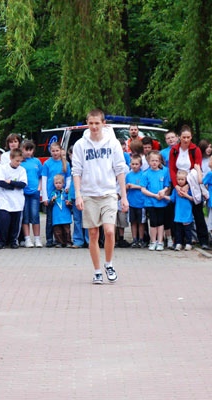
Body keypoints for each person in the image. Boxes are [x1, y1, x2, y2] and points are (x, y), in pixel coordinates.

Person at [72, 109, 128, 284]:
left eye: (97, 123)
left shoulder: (112, 144)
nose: (94, 126)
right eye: (91, 123)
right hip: (89, 194)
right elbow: (76, 171)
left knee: (110, 231)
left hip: (109, 193)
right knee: (93, 233)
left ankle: (109, 264)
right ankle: (97, 271)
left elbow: (120, 169)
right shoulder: (81, 145)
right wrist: (78, 195)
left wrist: (124, 197)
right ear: (87, 124)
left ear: (104, 123)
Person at [168, 126, 209, 249]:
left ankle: (203, 241)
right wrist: (176, 186)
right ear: (179, 137)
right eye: (183, 137)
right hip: (177, 183)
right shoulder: (174, 150)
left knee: (197, 212)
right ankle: (178, 240)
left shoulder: (195, 150)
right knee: (176, 212)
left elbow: (197, 167)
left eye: (188, 137)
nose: (186, 140)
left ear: (191, 137)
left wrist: (187, 185)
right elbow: (172, 168)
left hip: (192, 183)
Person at [41, 142, 71, 247]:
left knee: (62, 217)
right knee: (50, 218)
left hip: (62, 195)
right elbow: (44, 180)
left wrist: (67, 188)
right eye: (53, 151)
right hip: (51, 195)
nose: (55, 153)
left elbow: (68, 177)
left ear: (60, 151)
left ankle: (64, 239)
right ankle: (50, 239)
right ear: (50, 151)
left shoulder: (65, 163)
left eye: (57, 150)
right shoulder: (47, 163)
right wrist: (44, 196)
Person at [0, 148, 27, 249]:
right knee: (4, 222)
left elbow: (22, 184)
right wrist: (13, 186)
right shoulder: (3, 168)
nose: (18, 163)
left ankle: (13, 240)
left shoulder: (22, 170)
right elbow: (1, 182)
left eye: (20, 161)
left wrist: (10, 182)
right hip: (4, 200)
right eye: (16, 161)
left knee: (15, 223)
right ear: (11, 158)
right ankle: (1, 241)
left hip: (17, 201)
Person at [141, 151, 171, 251]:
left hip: (161, 202)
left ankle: (160, 242)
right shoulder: (145, 174)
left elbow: (167, 185)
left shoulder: (164, 172)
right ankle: (153, 241)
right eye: (152, 160)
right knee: (153, 223)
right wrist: (154, 195)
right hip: (150, 202)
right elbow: (143, 189)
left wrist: (163, 191)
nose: (154, 162)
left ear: (160, 161)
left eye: (156, 160)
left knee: (161, 223)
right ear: (148, 161)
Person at [20, 140, 43, 248]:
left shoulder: (37, 162)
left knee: (35, 216)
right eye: (26, 150)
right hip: (23, 193)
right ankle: (27, 238)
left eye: (30, 150)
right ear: (22, 150)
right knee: (25, 217)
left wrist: (39, 187)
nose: (28, 152)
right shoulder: (20, 162)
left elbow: (40, 176)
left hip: (34, 192)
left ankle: (37, 239)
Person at [170, 170, 195, 251]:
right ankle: (178, 243)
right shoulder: (175, 190)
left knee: (187, 230)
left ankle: (188, 243)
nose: (180, 181)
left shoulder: (190, 190)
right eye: (179, 179)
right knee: (178, 230)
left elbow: (193, 199)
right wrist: (163, 196)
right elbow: (172, 199)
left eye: (182, 179)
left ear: (186, 180)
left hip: (187, 214)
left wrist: (186, 195)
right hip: (178, 214)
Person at [125, 154, 147, 248]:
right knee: (133, 222)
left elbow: (144, 187)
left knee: (141, 222)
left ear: (140, 165)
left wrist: (134, 186)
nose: (134, 166)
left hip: (141, 203)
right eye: (132, 164)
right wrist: (126, 187)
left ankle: (141, 239)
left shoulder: (143, 174)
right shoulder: (128, 175)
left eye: (136, 164)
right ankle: (134, 239)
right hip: (131, 202)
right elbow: (125, 188)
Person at [49, 175, 73, 247]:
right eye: (56, 183)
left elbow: (69, 201)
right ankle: (59, 242)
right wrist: (52, 200)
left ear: (63, 184)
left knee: (67, 230)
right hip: (57, 215)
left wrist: (69, 202)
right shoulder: (53, 193)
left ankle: (68, 242)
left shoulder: (65, 193)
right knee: (57, 230)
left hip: (65, 214)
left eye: (60, 183)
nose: (58, 185)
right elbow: (51, 203)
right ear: (54, 184)